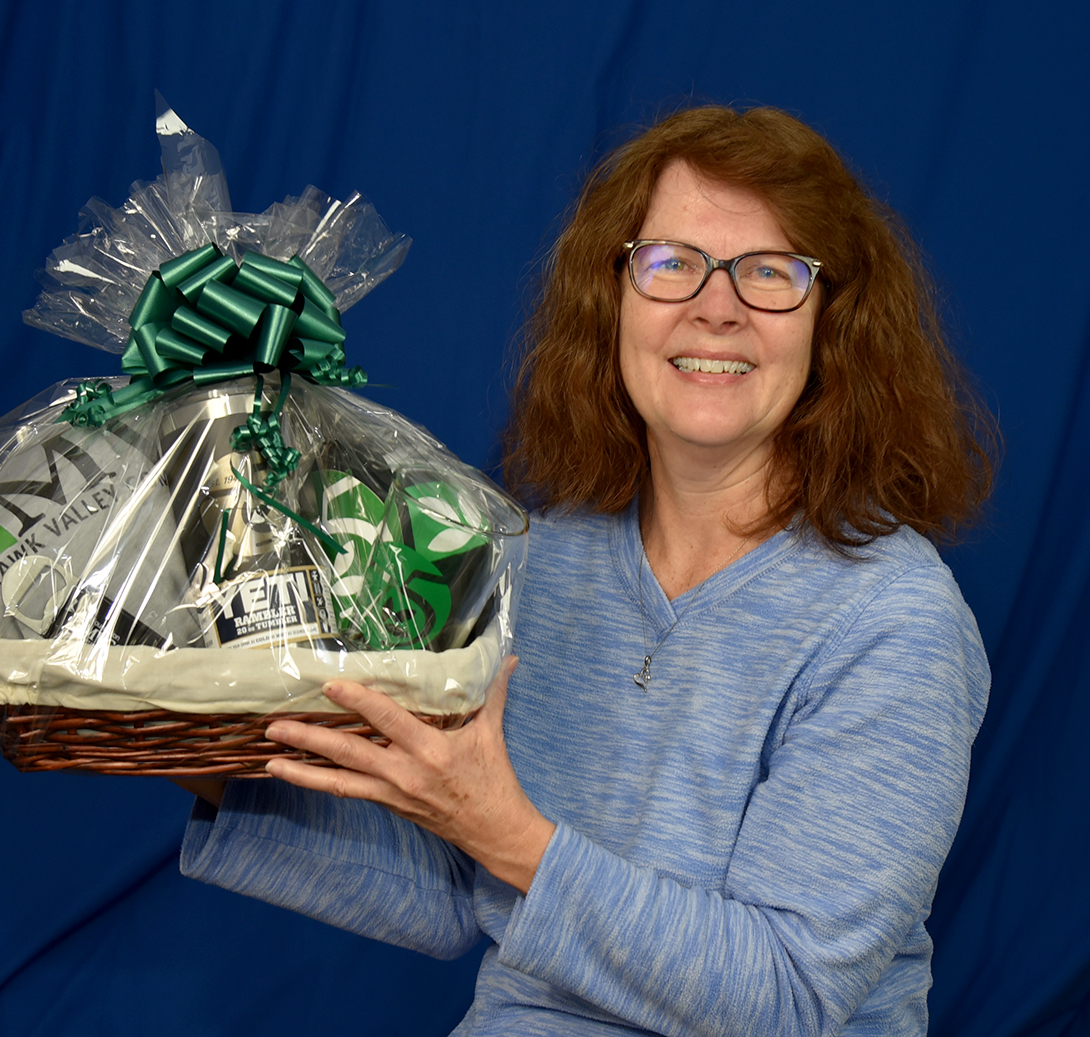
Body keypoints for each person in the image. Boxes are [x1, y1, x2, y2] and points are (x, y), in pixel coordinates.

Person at [176, 105, 996, 1036]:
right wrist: (193, 743)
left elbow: (790, 996)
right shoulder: (541, 556)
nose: (715, 306)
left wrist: (509, 834)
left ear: (831, 323)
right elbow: (458, 888)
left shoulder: (895, 620)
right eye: (671, 262)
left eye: (771, 273)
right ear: (613, 297)